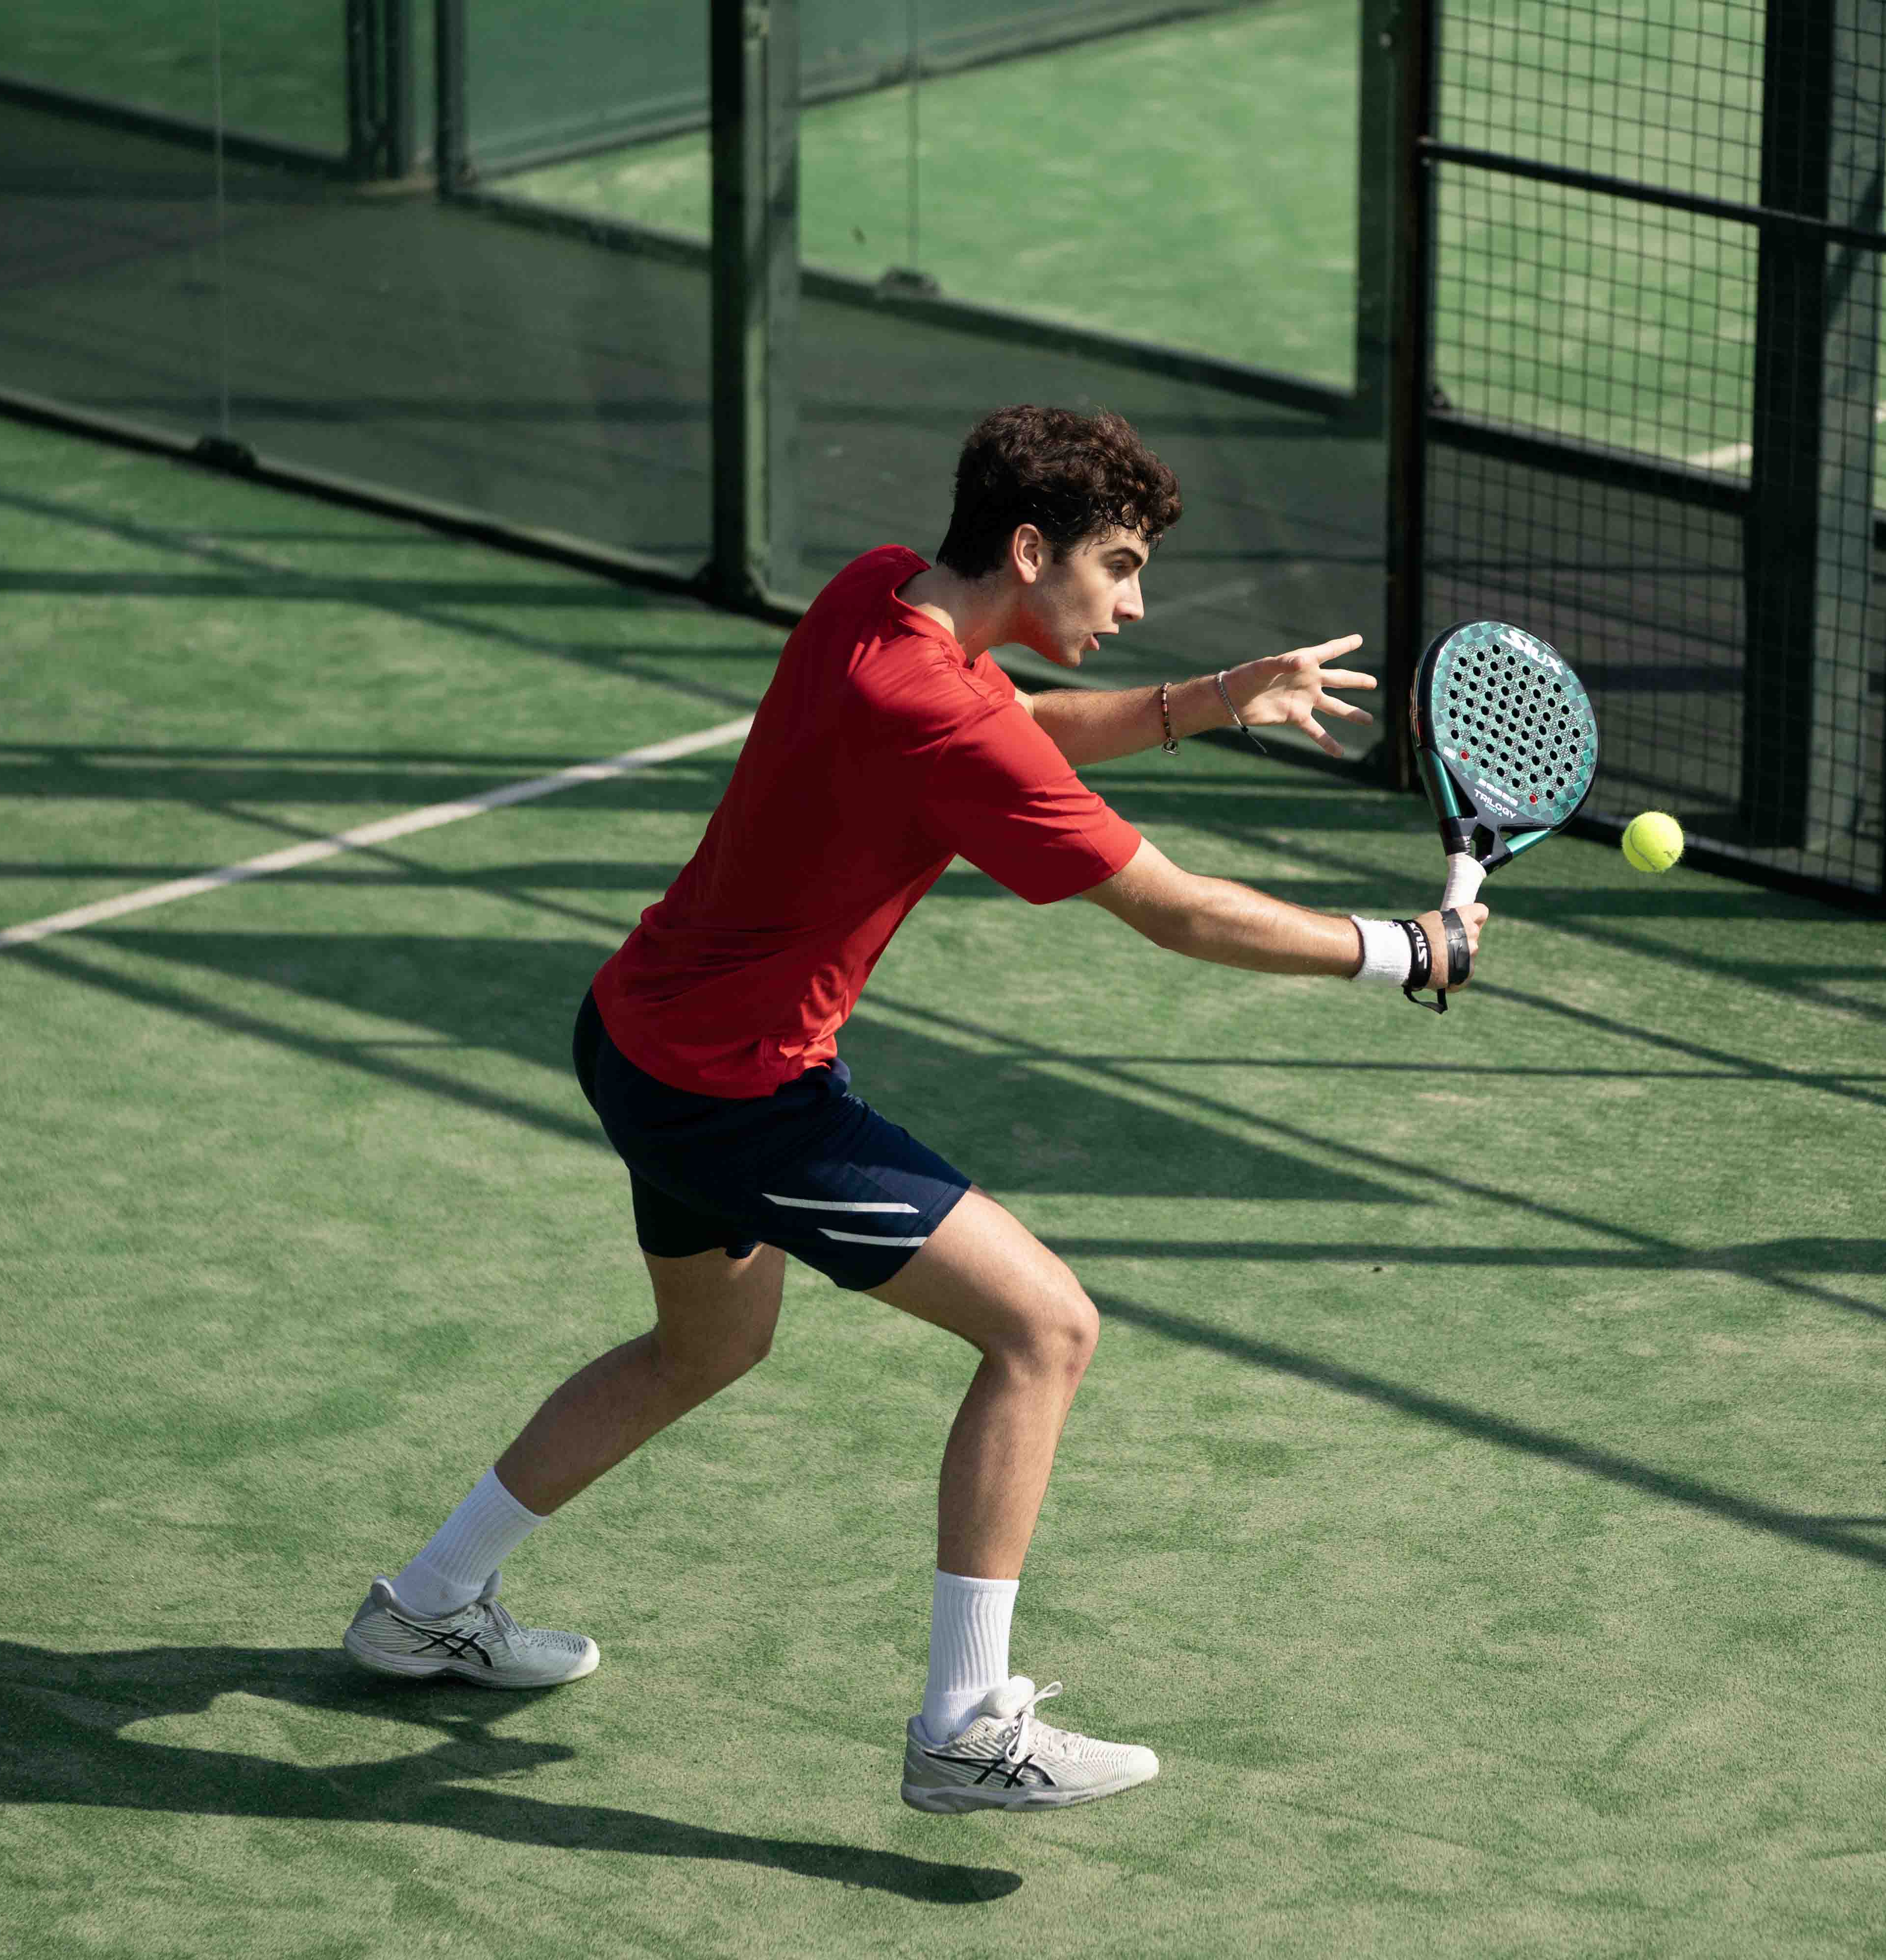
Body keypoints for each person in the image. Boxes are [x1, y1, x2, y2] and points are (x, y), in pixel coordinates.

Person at [343, 405, 1484, 1812]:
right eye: (1121, 567)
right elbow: (1177, 911)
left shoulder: (877, 593)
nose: (1134, 604)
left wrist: (1208, 699)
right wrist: (1401, 948)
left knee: (705, 1347)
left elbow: (1016, 729)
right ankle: (965, 1729)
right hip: (740, 1096)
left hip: (639, 1034)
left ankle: (427, 1604)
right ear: (1031, 549)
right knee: (1045, 1328)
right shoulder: (931, 711)